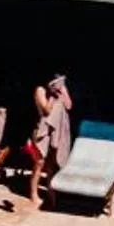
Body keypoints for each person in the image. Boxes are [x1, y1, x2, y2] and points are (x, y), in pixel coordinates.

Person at [28, 73, 73, 207]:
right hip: (41, 129)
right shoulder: (40, 90)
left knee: (51, 163)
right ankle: (33, 193)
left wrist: (63, 92)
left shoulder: (60, 89)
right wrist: (54, 96)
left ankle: (50, 191)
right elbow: (47, 110)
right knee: (39, 163)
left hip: (55, 130)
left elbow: (69, 105)